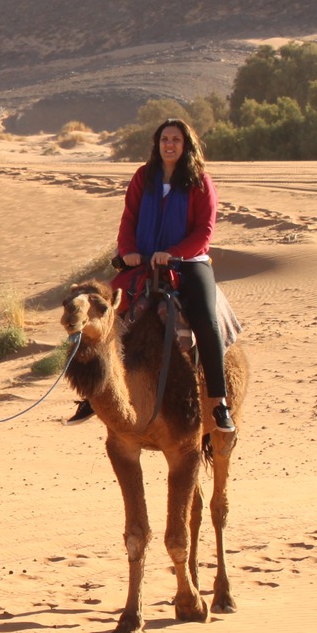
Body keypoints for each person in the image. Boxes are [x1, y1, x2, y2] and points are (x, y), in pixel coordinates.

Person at [101, 116, 236, 432]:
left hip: (189, 264)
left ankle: (219, 403)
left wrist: (175, 253)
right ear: (157, 145)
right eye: (164, 140)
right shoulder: (142, 178)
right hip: (144, 263)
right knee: (104, 316)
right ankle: (98, 393)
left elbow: (204, 231)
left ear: (186, 145)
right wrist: (128, 250)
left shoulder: (200, 181)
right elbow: (129, 220)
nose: (169, 145)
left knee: (205, 319)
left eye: (176, 140)